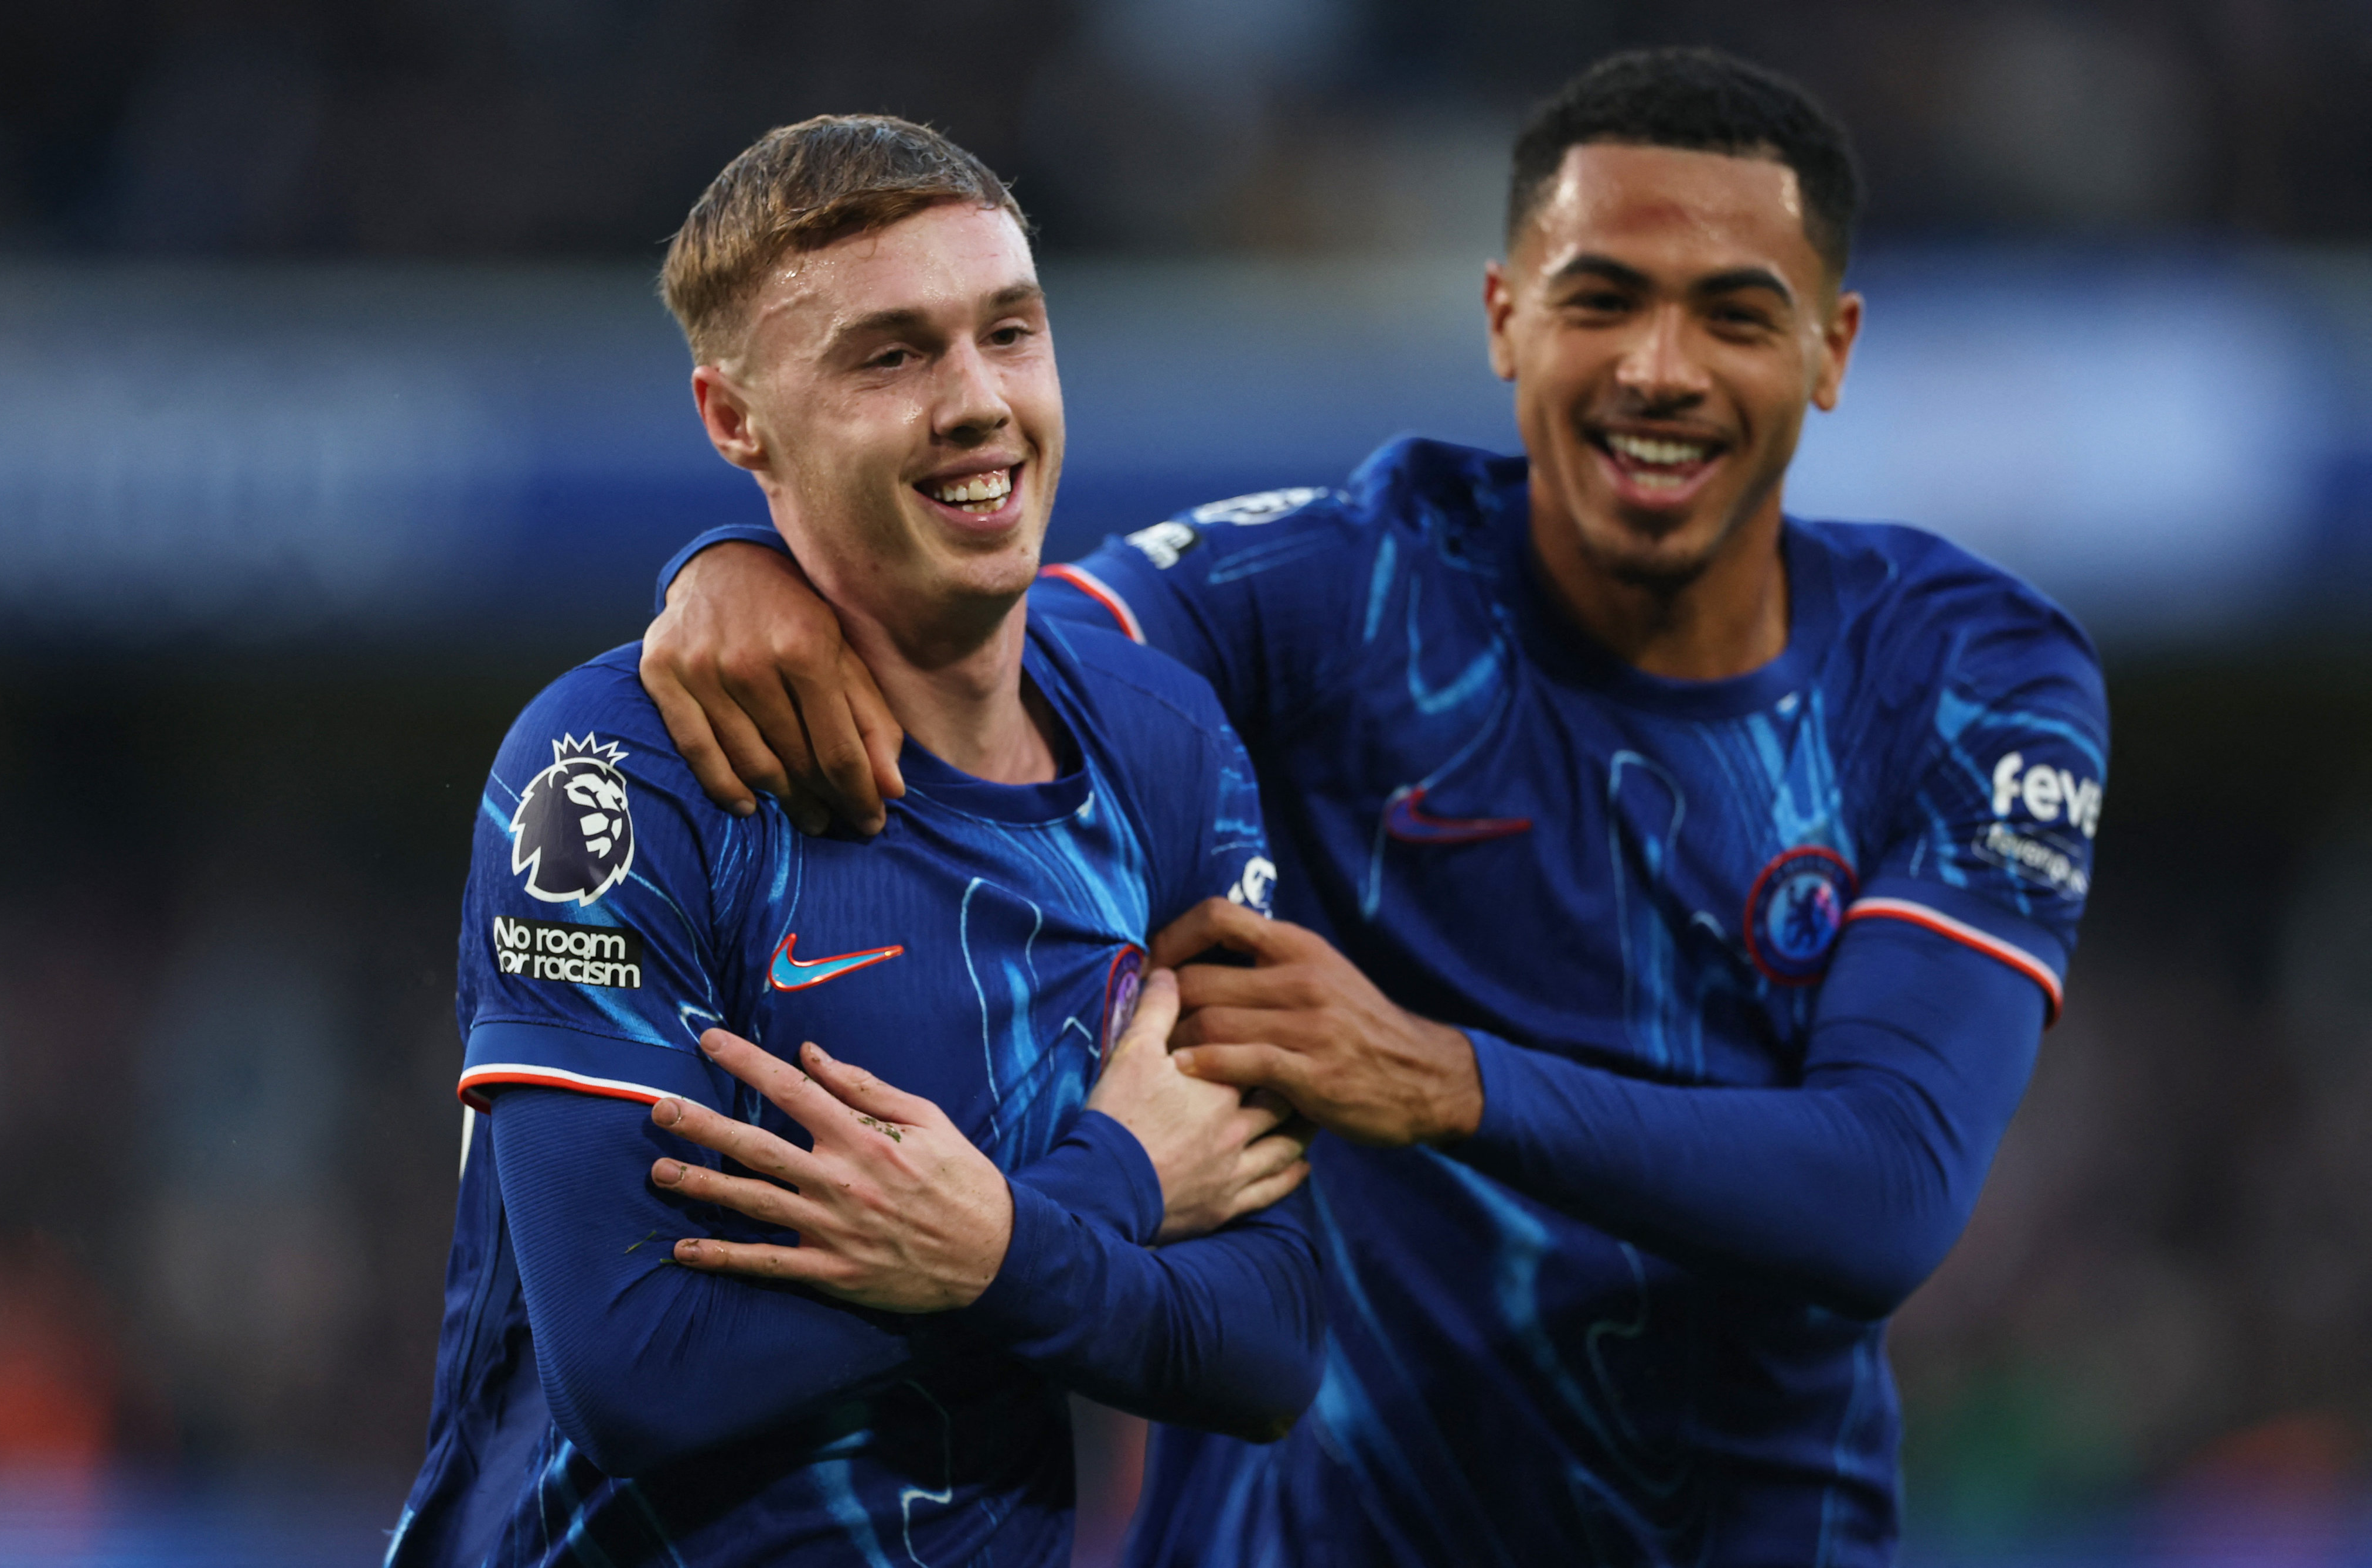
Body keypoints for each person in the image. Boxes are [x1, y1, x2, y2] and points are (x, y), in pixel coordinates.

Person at [638, 47, 2111, 1568]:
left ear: (1831, 347)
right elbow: (976, 648)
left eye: (1735, 313)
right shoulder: (1344, 586)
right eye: (1602, 298)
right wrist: (736, 562)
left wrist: (1433, 1076)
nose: (1659, 368)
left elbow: (1886, 1186)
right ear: (1504, 320)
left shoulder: (1966, 672)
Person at [386, 115, 1322, 1568]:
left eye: (1006, 333)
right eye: (889, 356)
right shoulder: (619, 775)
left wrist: (998, 1243)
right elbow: (640, 1367)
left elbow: (1263, 1342)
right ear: (733, 419)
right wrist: (1095, 1199)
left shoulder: (1164, 745)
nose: (976, 402)